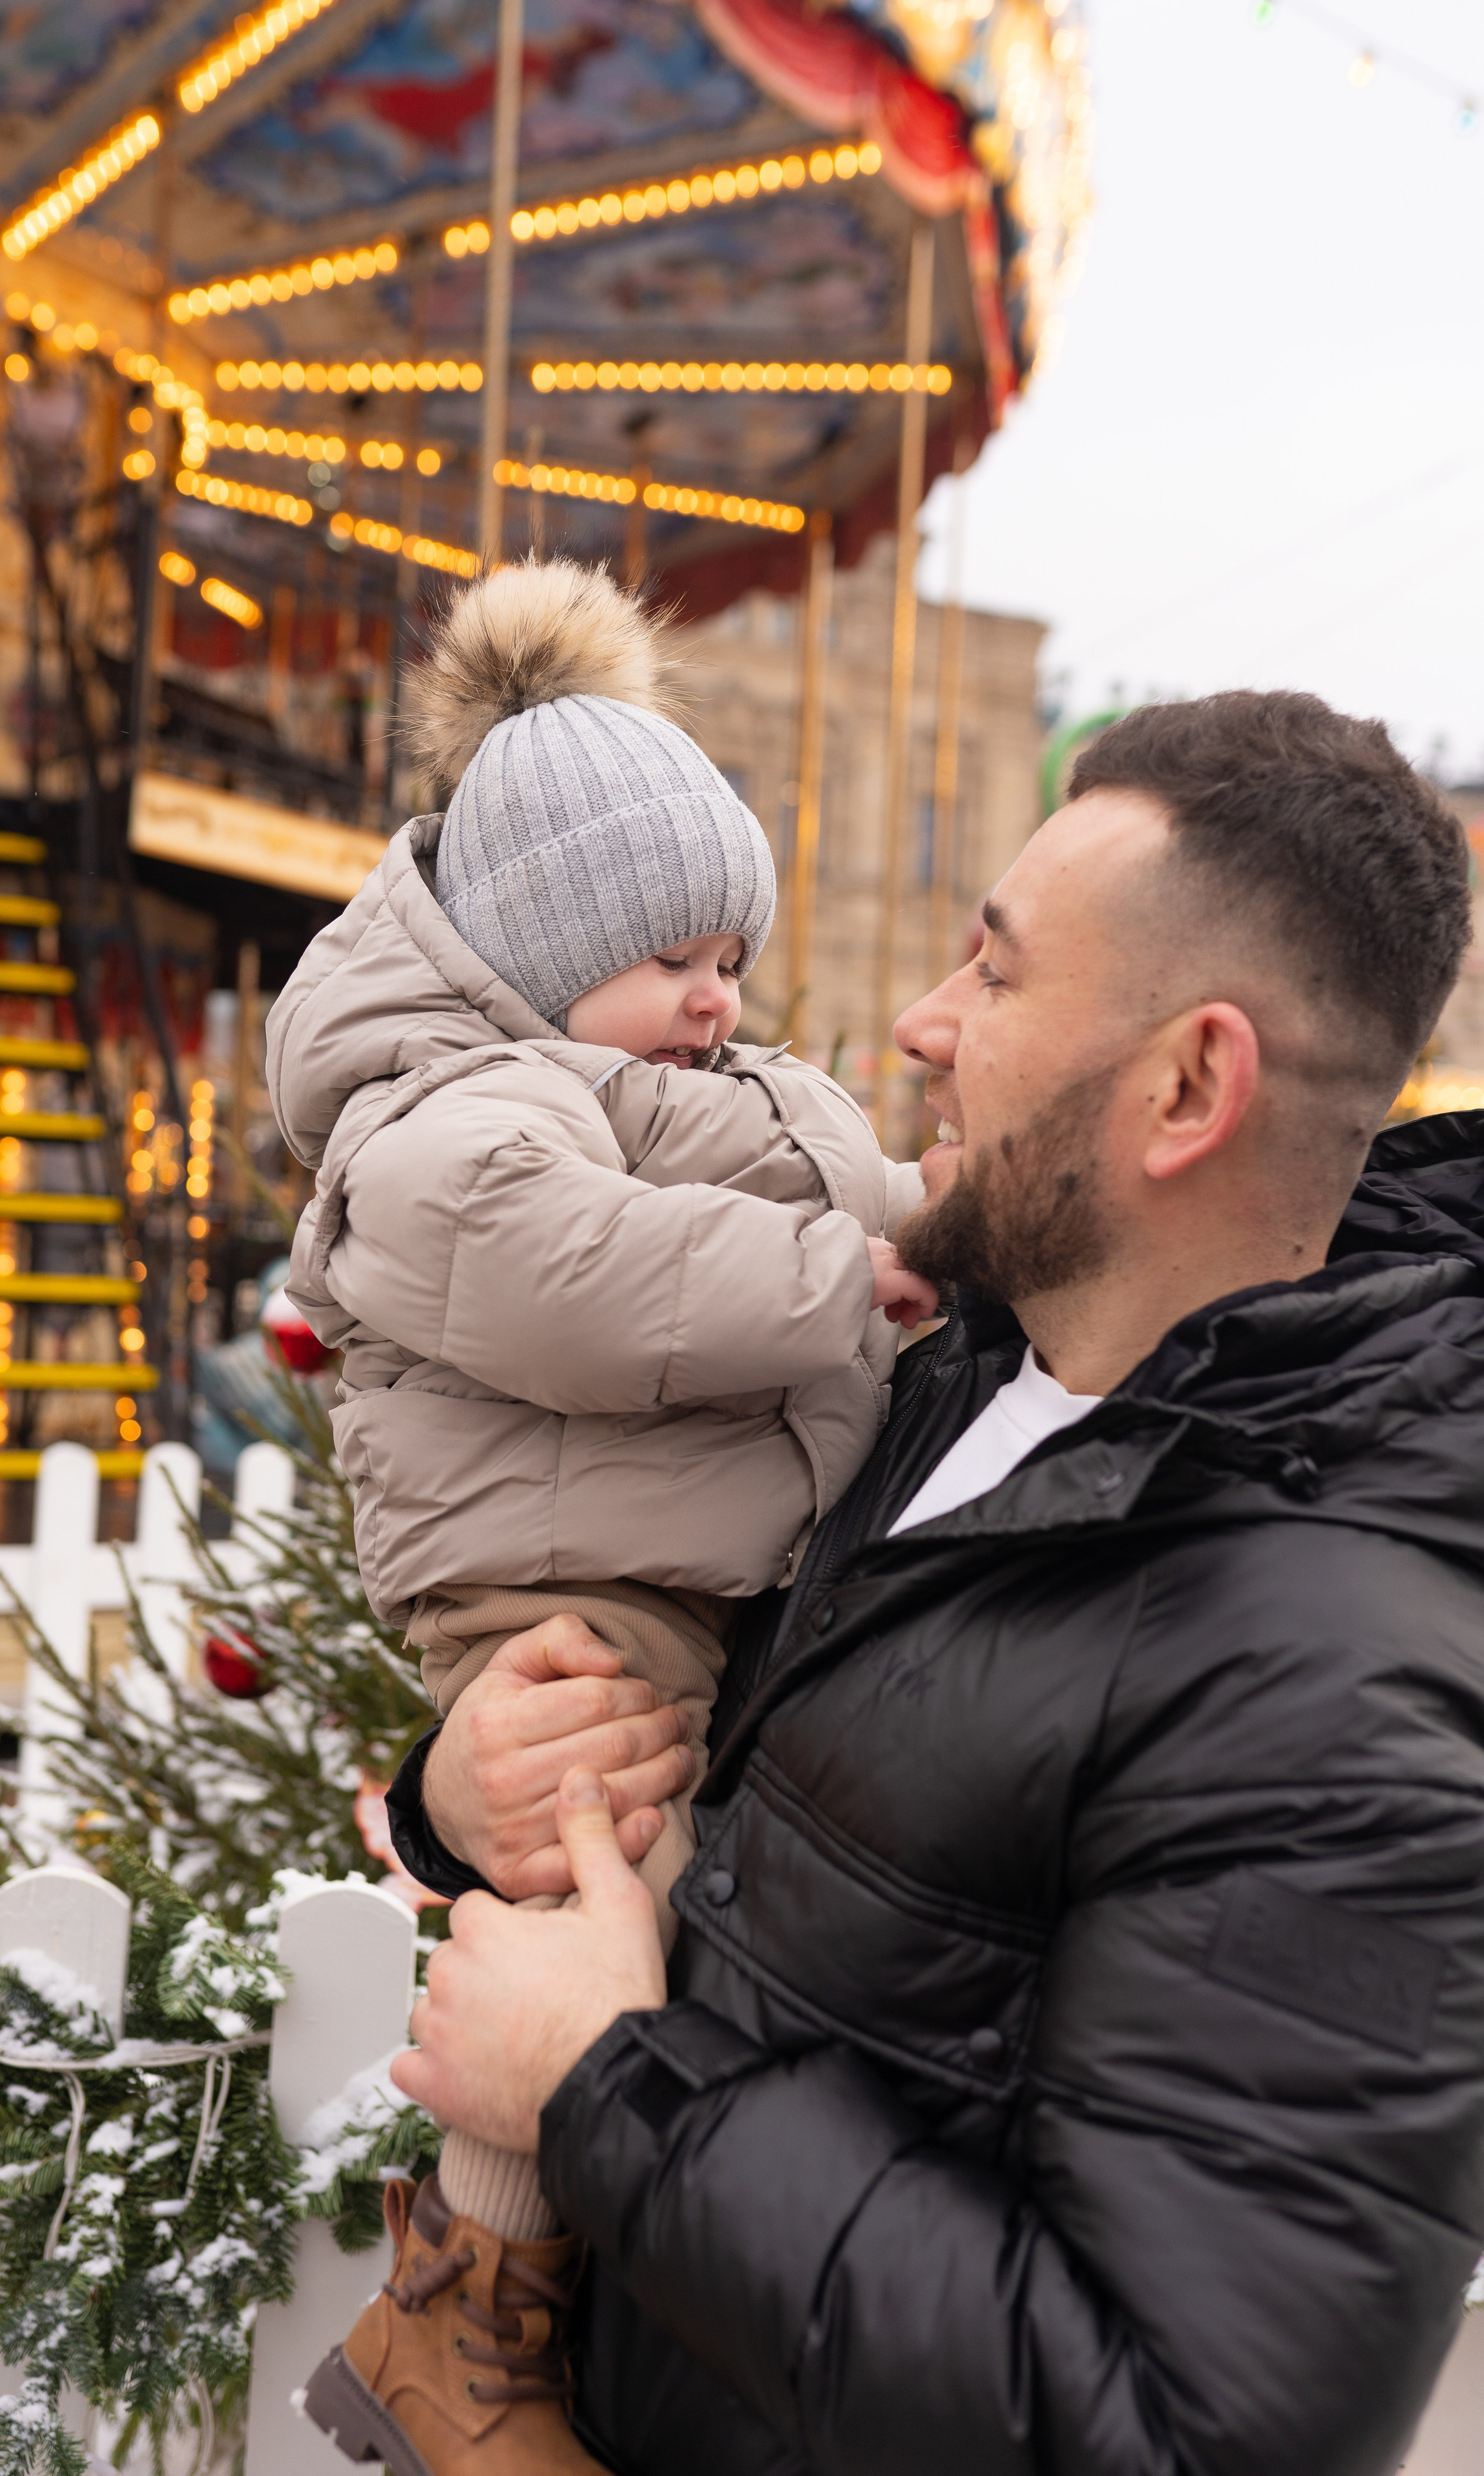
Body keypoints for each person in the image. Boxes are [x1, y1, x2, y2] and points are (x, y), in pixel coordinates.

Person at [386, 691, 1484, 2476]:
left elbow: (1190, 2437)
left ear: (1189, 1085)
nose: (919, 1025)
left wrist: (605, 2086)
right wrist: (465, 1790)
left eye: (993, 972)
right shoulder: (938, 1378)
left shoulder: (1334, 1688)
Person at [265, 558, 933, 2476]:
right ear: (543, 950)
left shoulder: (672, 1077)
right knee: (594, 1872)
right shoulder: (451, 1115)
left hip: (665, 1554)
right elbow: (577, 1276)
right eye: (674, 959)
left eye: (734, 955)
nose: (719, 998)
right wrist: (846, 1281)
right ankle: (465, 2326)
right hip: (562, 1581)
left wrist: (934, 1215)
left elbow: (843, 1188)